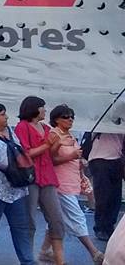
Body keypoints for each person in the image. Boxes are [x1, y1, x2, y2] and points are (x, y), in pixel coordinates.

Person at [49, 105, 104, 264]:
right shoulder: (54, 135)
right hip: (61, 183)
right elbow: (51, 159)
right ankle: (94, 252)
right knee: (76, 216)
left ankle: (47, 252)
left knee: (57, 220)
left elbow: (72, 157)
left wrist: (79, 161)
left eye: (72, 116)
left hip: (72, 181)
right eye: (66, 117)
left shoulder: (69, 135)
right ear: (56, 119)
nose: (70, 119)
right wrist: (71, 156)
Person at [14, 96, 65, 265]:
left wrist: (58, 143)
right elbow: (25, 153)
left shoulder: (46, 127)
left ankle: (58, 258)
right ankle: (27, 259)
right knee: (29, 220)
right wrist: (47, 145)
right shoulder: (22, 127)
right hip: (31, 176)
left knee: (56, 219)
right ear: (34, 108)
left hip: (47, 175)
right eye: (42, 107)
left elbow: (51, 153)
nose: (45, 110)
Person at [0, 102, 34, 265]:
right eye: (2, 114)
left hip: (17, 187)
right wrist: (8, 167)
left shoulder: (10, 131)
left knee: (21, 227)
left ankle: (28, 261)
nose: (6, 117)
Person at [87, 131, 124, 241]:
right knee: (103, 196)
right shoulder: (100, 123)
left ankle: (109, 225)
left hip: (117, 159)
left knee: (115, 197)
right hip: (99, 159)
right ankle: (100, 227)